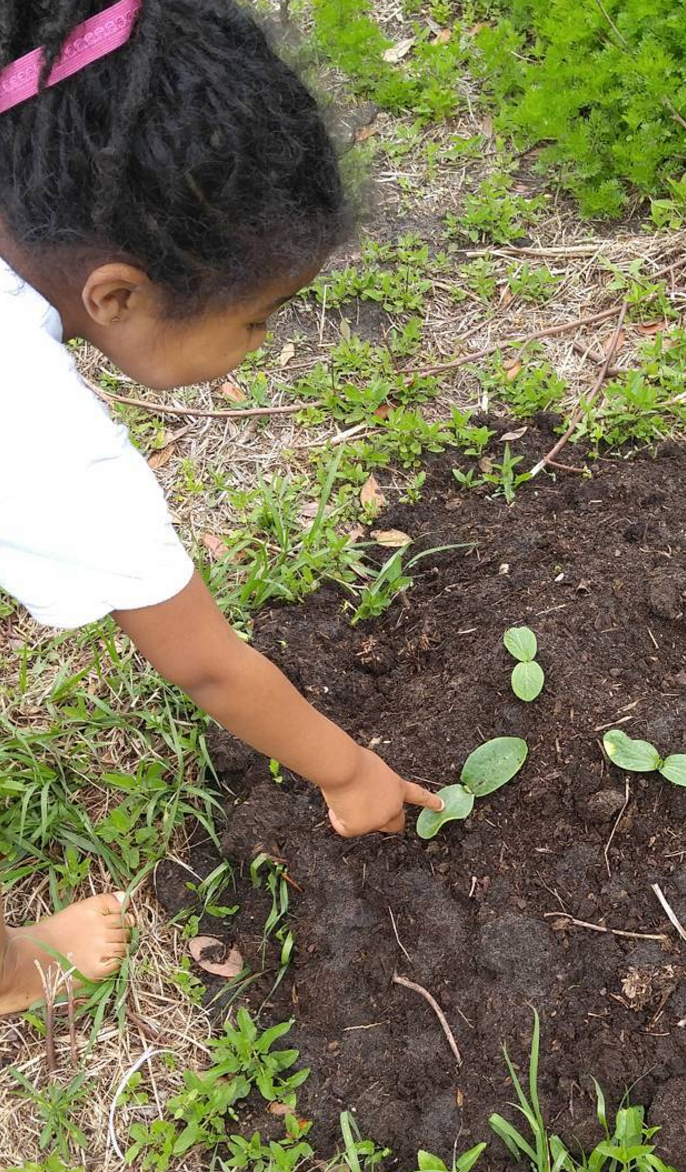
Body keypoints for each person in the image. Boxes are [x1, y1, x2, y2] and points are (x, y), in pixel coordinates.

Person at [0, 0, 443, 1014]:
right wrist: (350, 772)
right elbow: (204, 660)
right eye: (255, 318)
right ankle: (15, 973)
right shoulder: (39, 437)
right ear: (115, 295)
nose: (261, 345)